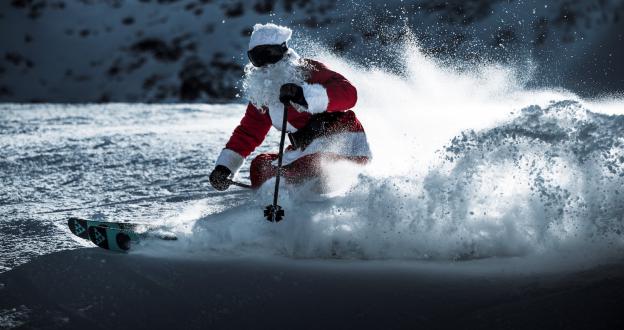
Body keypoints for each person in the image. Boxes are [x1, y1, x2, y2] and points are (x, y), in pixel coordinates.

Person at [209, 23, 371, 191]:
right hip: (304, 149)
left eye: (270, 54)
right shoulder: (264, 92)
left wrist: (304, 96)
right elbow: (249, 132)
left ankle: (311, 194)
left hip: (340, 140)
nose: (266, 64)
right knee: (260, 166)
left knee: (311, 165)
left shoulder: (308, 70)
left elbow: (349, 94)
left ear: (283, 51)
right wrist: (224, 167)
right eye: (257, 58)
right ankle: (285, 197)